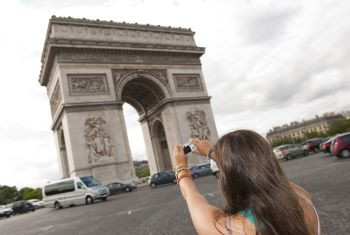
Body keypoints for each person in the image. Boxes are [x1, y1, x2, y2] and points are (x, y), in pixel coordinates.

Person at [173, 130, 320, 235]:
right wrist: (213, 153)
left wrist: (181, 167)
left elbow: (192, 196)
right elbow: (269, 177)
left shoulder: (229, 228)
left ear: (228, 177)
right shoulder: (304, 202)